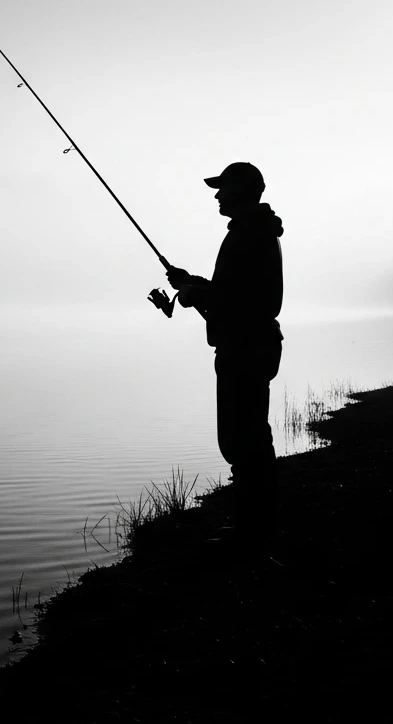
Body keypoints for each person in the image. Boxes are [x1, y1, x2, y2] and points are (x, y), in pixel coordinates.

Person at [157, 161, 284, 550]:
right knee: (250, 437)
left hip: (244, 347)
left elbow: (234, 300)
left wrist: (195, 294)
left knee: (241, 440)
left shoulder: (248, 234)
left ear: (241, 191)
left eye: (222, 188)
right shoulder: (255, 232)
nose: (216, 195)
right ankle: (258, 524)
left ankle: (252, 532)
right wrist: (190, 283)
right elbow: (234, 292)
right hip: (251, 343)